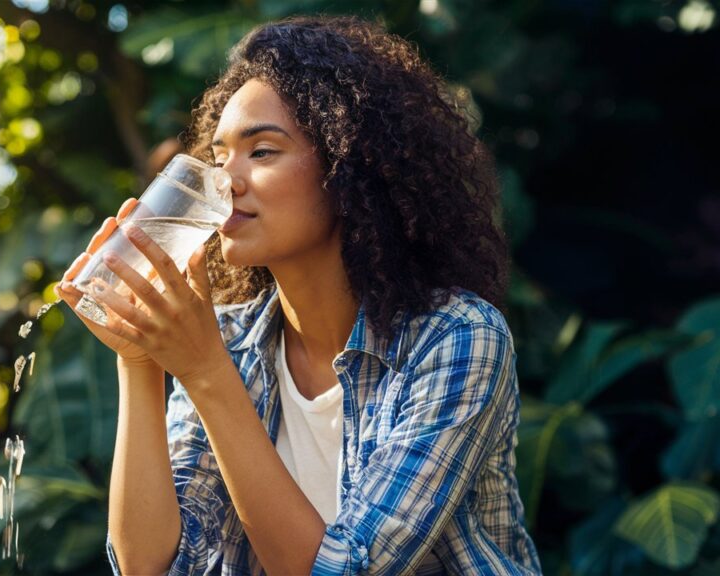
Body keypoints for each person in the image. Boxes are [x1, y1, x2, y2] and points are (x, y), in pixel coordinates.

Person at [54, 15, 542, 576]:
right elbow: (150, 566)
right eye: (218, 158)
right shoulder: (230, 341)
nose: (225, 182)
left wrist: (207, 372)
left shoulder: (455, 338)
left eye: (261, 152)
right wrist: (138, 359)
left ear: (350, 167)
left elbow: (343, 569)